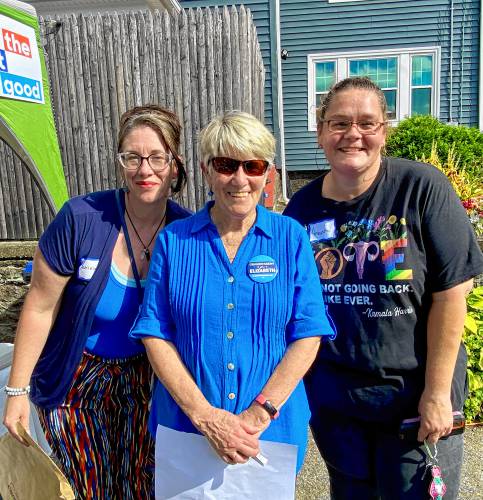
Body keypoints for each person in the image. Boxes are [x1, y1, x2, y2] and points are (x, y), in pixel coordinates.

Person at [283, 76, 483, 499]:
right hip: (338, 406)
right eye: (338, 123)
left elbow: (451, 295)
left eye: (366, 123)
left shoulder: (421, 188)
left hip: (413, 400)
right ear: (320, 132)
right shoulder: (302, 209)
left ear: (384, 131)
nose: (352, 134)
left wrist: (436, 393)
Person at [129, 110, 335, 479]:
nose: (239, 179)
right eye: (226, 165)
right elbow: (154, 331)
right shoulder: (174, 242)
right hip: (187, 430)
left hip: (271, 432)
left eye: (252, 166)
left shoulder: (290, 238)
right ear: (207, 170)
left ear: (267, 173)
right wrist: (206, 417)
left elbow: (309, 332)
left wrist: (259, 413)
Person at [3, 105, 191, 499]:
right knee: (93, 487)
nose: (145, 169)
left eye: (157, 157)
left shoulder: (188, 231)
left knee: (143, 485)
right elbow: (39, 307)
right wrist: (16, 393)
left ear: (175, 164)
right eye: (133, 157)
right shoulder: (82, 218)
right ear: (120, 161)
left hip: (148, 380)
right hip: (76, 380)